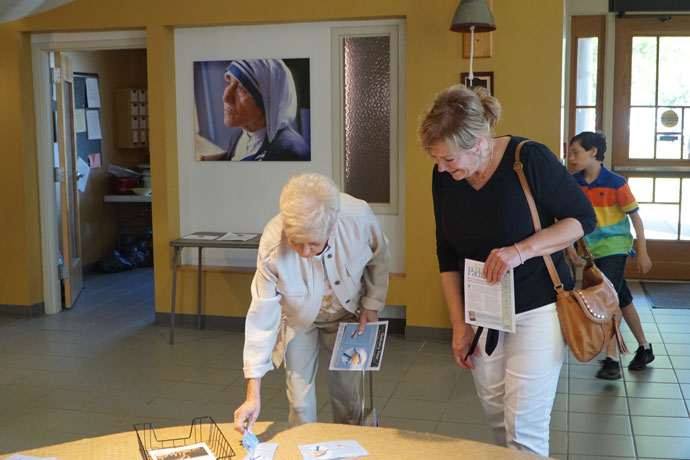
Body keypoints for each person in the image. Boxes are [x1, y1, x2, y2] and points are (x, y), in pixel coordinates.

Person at [418, 84, 596, 457]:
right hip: (483, 312)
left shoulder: (528, 159)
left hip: (538, 306)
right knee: (499, 420)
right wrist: (458, 323)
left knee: (525, 431)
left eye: (449, 159)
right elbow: (446, 250)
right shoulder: (444, 177)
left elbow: (582, 219)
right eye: (436, 158)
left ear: (480, 144)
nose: (442, 168)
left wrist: (521, 251)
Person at [233, 172, 390, 434]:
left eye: (314, 244)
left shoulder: (357, 216)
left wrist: (372, 304)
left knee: (349, 397)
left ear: (331, 228)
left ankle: (348, 447)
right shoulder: (273, 241)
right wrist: (253, 393)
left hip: (346, 314)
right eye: (296, 243)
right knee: (300, 403)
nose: (305, 253)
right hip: (298, 319)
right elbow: (261, 317)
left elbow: (379, 258)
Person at [567, 131, 654, 380]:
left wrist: (643, 252)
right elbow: (567, 219)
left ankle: (611, 359)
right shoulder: (573, 183)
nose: (572, 158)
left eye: (576, 152)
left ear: (593, 152)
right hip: (591, 252)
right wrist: (570, 248)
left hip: (616, 247)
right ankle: (644, 347)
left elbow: (636, 219)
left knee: (608, 299)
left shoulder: (616, 182)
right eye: (570, 153)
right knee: (622, 297)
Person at [201, 59, 310, 161]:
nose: (226, 97)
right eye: (228, 83)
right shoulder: (240, 134)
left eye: (242, 89)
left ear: (268, 102)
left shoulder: (291, 152)